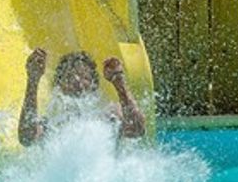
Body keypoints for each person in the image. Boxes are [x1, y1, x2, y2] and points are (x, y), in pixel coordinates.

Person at [18, 48, 146, 146]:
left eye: (84, 77)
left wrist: (119, 83)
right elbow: (26, 138)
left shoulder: (109, 114)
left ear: (94, 85)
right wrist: (33, 81)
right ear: (58, 85)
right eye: (69, 77)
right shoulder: (51, 123)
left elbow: (138, 130)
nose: (77, 82)